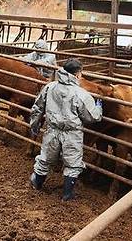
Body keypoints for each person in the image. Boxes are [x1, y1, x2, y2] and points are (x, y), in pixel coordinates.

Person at [28, 58, 103, 201]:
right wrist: (98, 106)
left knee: (45, 158)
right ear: (77, 74)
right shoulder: (81, 94)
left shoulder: (50, 87)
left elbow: (37, 108)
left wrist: (34, 124)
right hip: (72, 133)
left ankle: (36, 182)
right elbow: (92, 117)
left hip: (52, 129)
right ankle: (67, 194)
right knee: (73, 163)